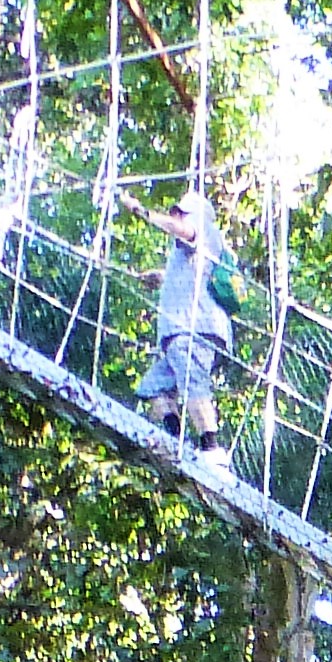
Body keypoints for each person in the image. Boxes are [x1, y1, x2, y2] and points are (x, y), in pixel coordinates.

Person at [136, 190, 245, 462]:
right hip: (180, 332)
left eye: (181, 213)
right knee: (153, 388)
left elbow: (185, 231)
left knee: (192, 381)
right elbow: (192, 275)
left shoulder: (203, 230)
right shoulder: (187, 252)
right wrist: (159, 278)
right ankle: (176, 440)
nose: (176, 217)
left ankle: (212, 449)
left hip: (194, 329)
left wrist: (144, 212)